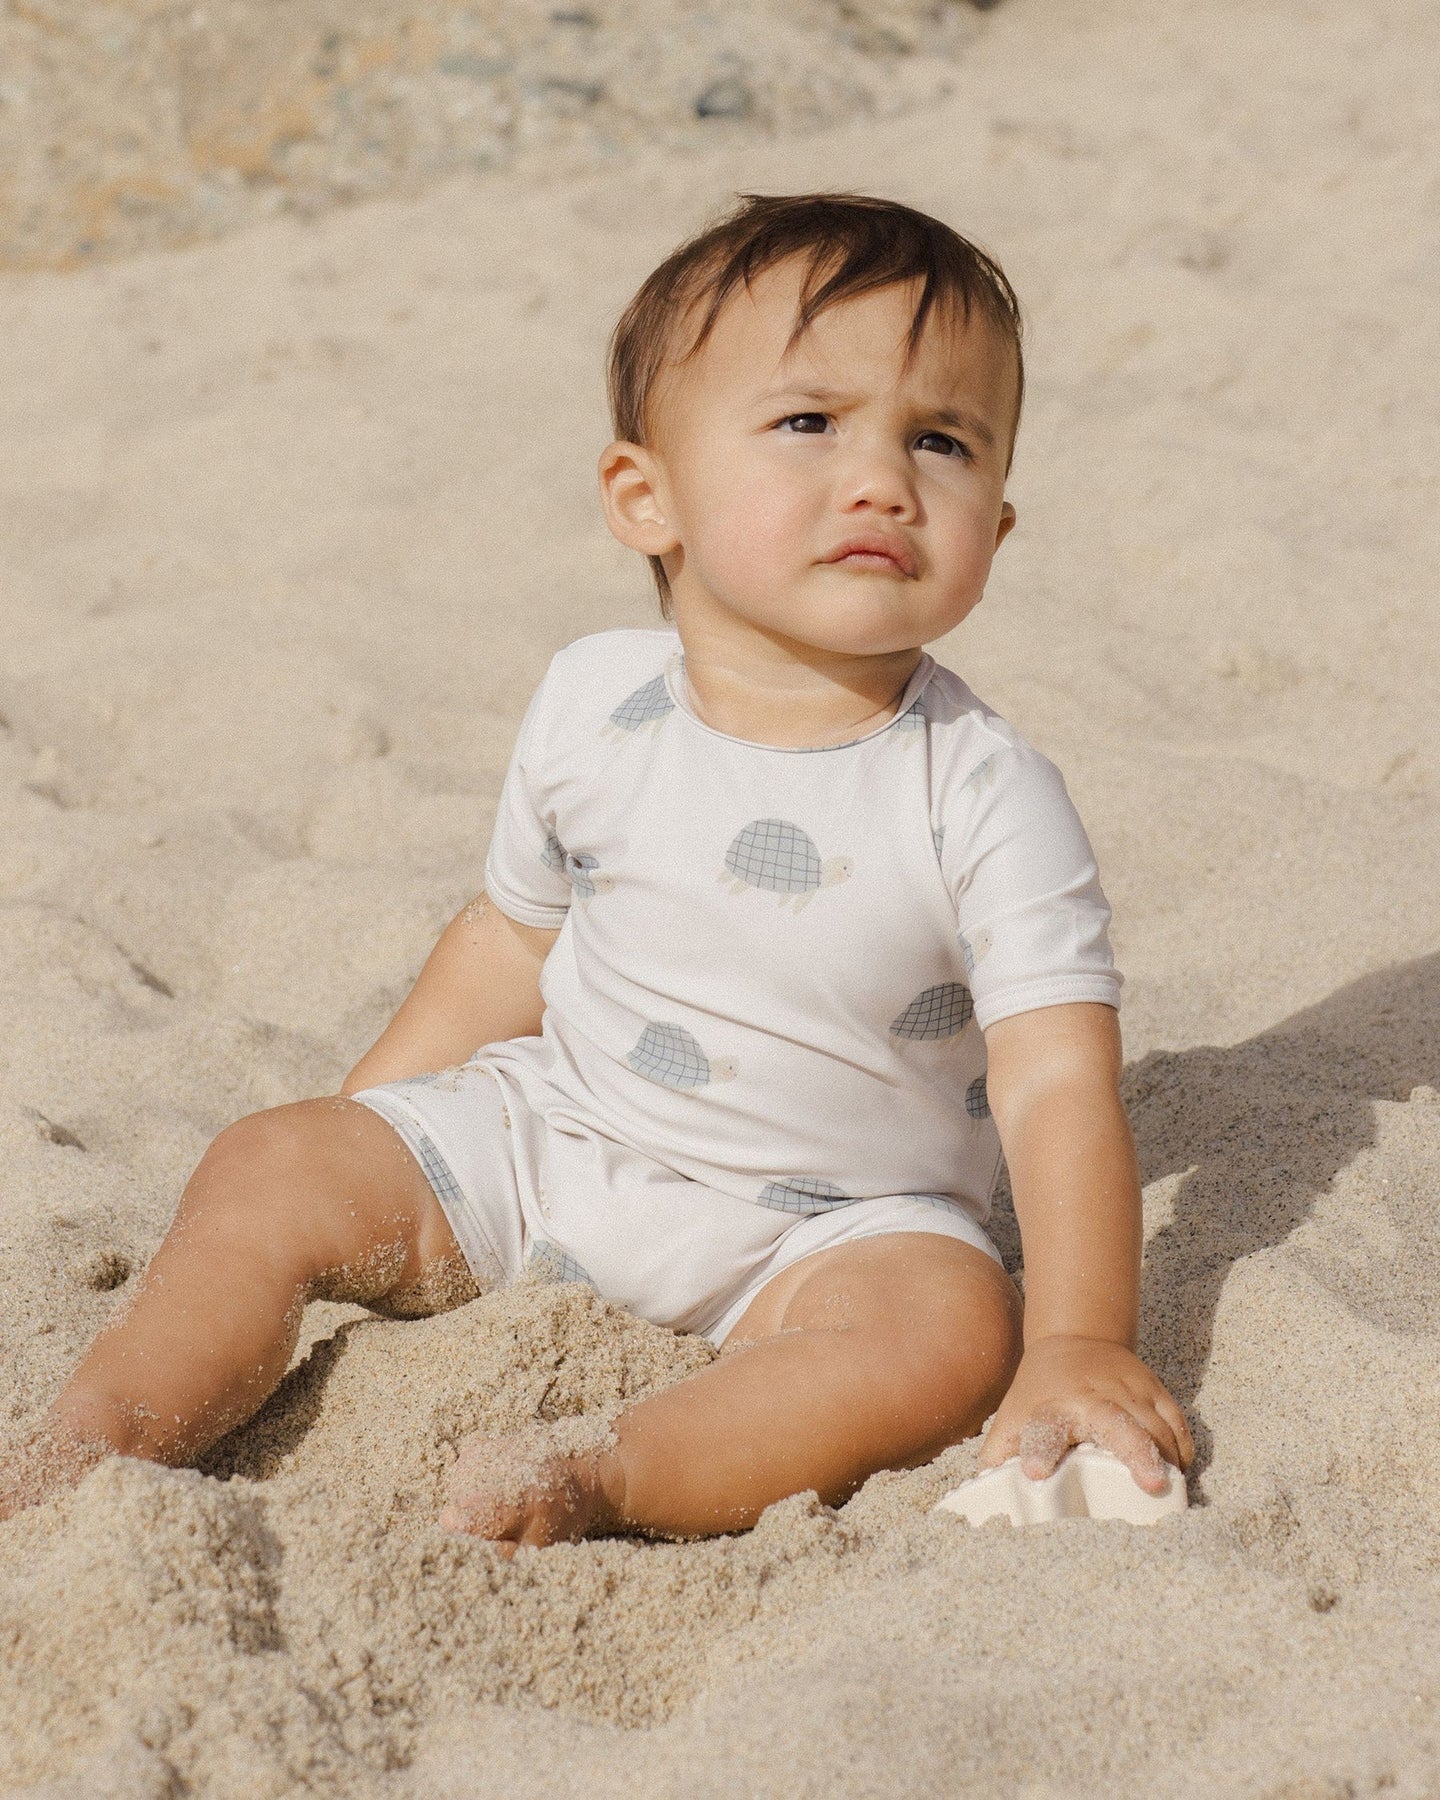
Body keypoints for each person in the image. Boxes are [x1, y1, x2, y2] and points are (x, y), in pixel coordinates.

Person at [0, 192, 1193, 1544]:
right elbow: (513, 941)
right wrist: (373, 1128)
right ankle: (98, 1433)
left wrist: (1080, 1336)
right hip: (556, 1141)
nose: (882, 479)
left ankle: (607, 1472)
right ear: (647, 497)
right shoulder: (593, 702)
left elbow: (1054, 1078)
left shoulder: (983, 791)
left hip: (829, 1233)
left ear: (999, 528)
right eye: (811, 422)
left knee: (952, 1333)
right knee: (271, 1161)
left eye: (941, 440)